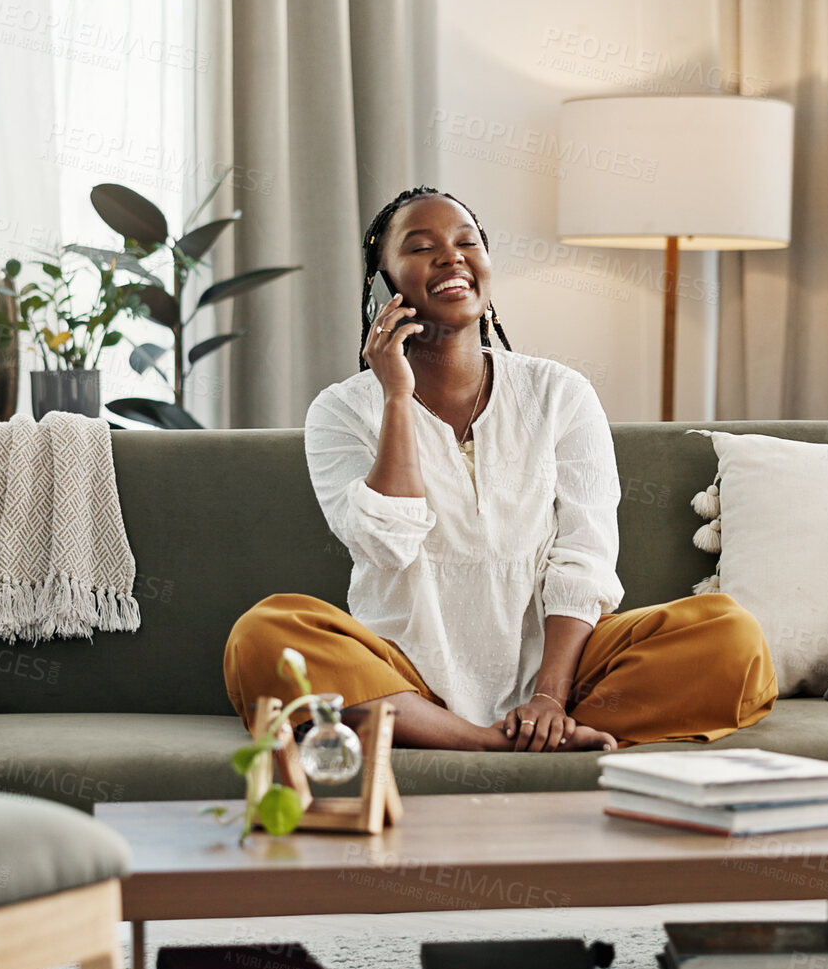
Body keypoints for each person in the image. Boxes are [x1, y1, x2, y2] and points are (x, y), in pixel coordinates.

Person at [222, 187, 776, 751]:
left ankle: (536, 726)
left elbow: (584, 559)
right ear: (384, 284)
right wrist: (396, 397)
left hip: (568, 678)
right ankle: (491, 742)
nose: (451, 256)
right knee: (264, 636)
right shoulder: (341, 409)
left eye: (467, 242)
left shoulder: (560, 392)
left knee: (731, 637)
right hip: (401, 675)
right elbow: (386, 544)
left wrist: (549, 697)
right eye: (421, 247)